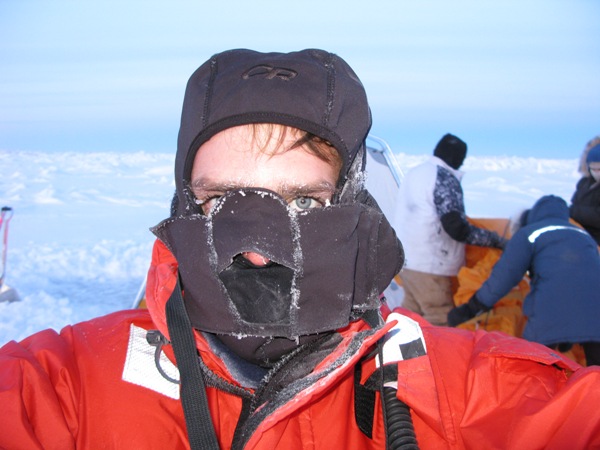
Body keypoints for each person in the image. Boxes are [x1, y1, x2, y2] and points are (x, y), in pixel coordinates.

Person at [1, 49, 600, 449]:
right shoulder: (69, 387)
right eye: (220, 201)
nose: (257, 254)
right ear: (183, 206)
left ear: (357, 210)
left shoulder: (463, 392)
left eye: (305, 204)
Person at [448, 194, 600, 365]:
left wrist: (472, 307)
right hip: (596, 314)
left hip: (548, 315)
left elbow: (504, 277)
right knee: (595, 373)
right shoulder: (584, 236)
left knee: (533, 369)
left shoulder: (529, 234)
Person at [393, 134, 506, 325]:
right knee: (440, 320)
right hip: (430, 265)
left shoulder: (415, 172)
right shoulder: (444, 178)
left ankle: (397, 344)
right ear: (457, 158)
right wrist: (495, 240)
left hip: (407, 260)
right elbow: (456, 227)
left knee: (410, 319)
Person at [570, 135, 600, 245]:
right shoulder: (584, 183)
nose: (596, 172)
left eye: (599, 168)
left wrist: (573, 212)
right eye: (593, 168)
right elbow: (574, 203)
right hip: (581, 235)